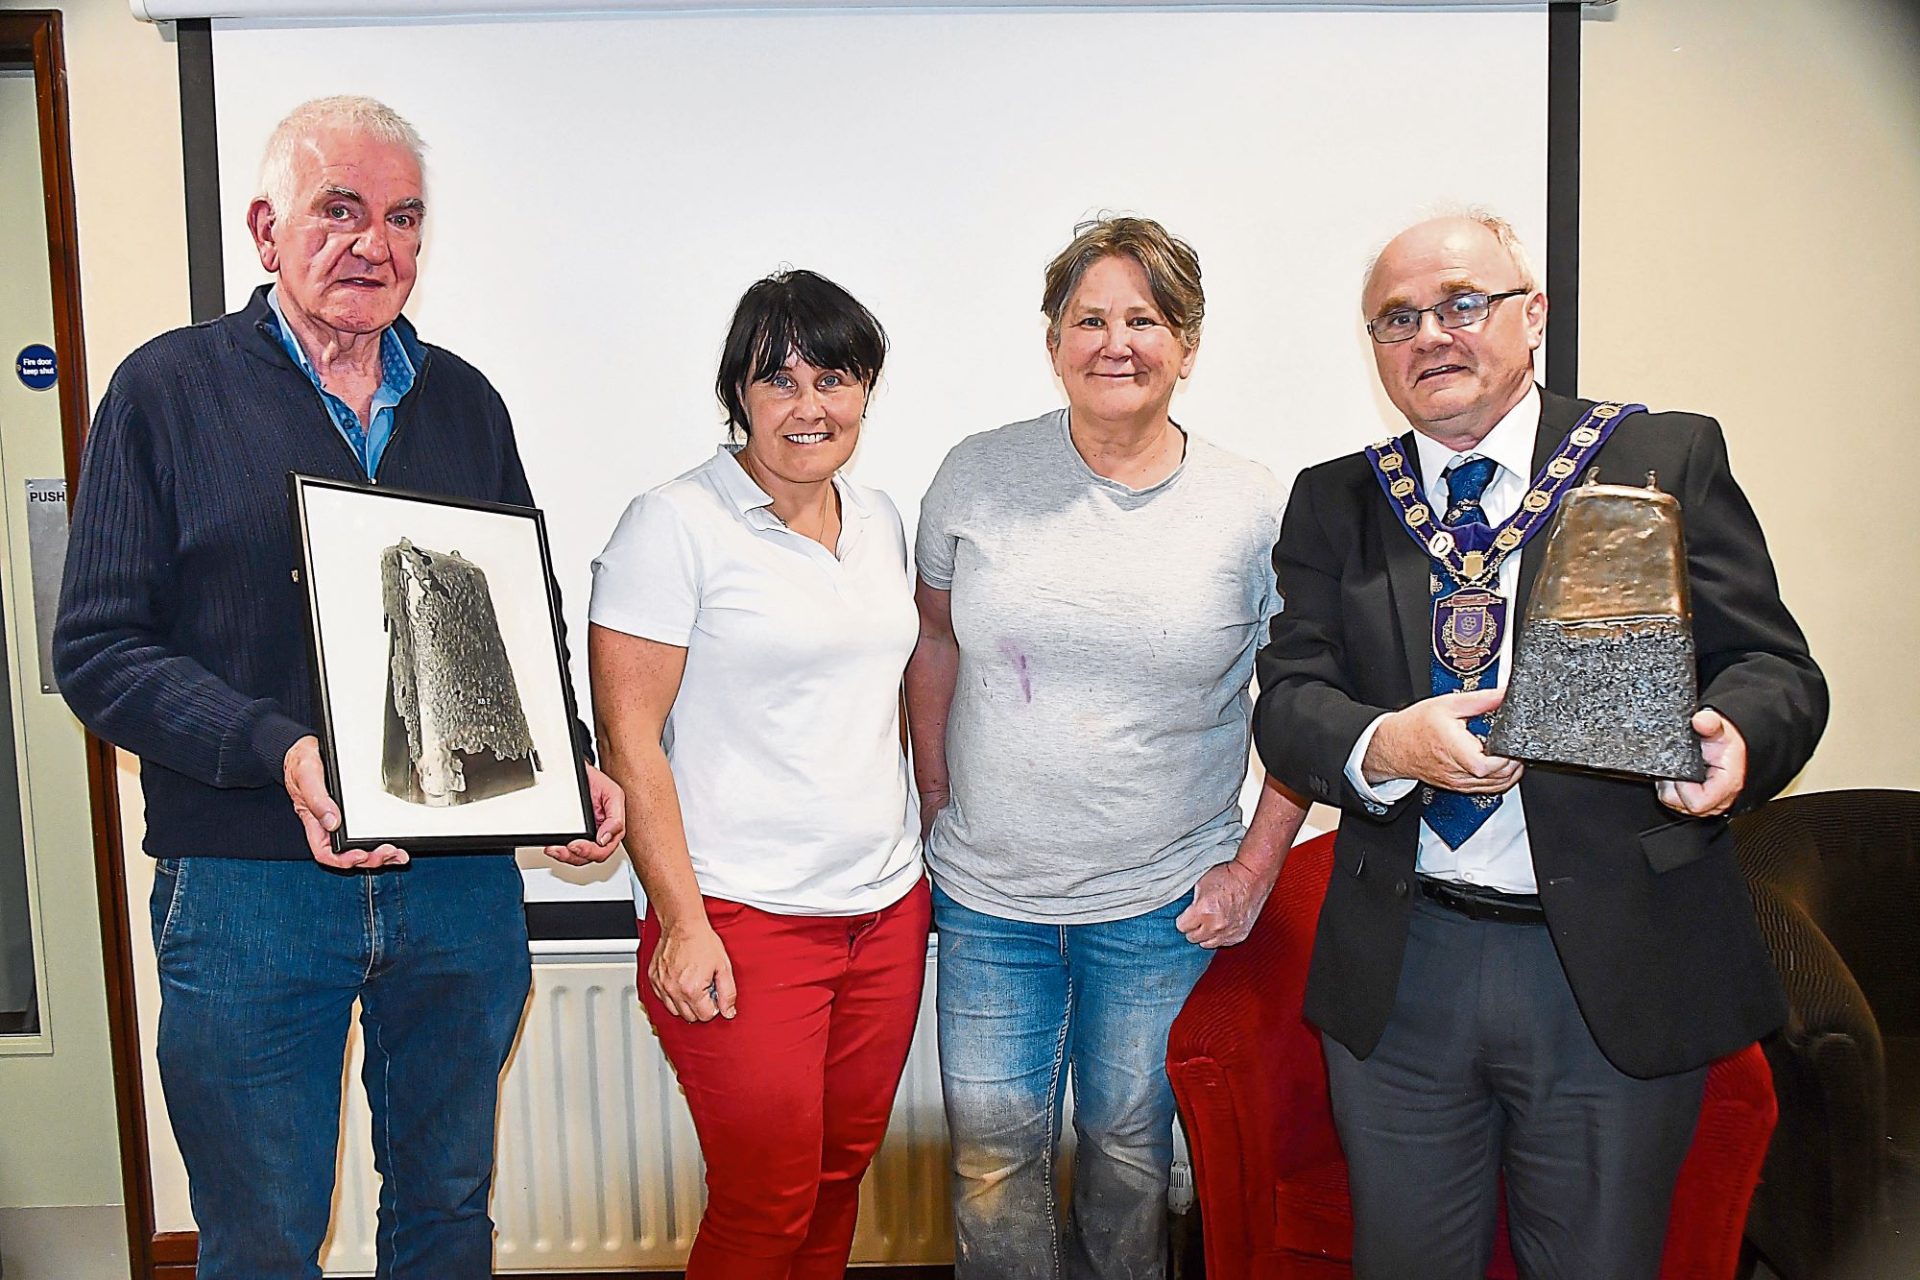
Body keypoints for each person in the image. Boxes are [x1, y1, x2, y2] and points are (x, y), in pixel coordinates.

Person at [53, 96, 624, 1279]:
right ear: (266, 230)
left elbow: (519, 625)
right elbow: (99, 649)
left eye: (403, 217)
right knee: (262, 1233)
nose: (375, 242)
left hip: (458, 890)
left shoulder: (466, 400)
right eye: (341, 211)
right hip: (253, 888)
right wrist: (279, 749)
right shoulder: (165, 390)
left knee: (449, 1207)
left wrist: (566, 758)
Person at [1252, 211, 1827, 1279]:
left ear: (1534, 315)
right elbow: (1289, 699)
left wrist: (1736, 740)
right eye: (1400, 317)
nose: (1434, 333)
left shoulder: (1658, 454)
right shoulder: (1337, 495)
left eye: (1465, 303)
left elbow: (1775, 670)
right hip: (1405, 963)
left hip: (1611, 962)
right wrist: (1389, 741)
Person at [907, 216, 1310, 1279]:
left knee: (1134, 1161)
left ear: (1187, 342)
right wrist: (937, 801)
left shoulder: (1252, 504)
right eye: (1089, 318)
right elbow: (935, 639)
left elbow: (1302, 699)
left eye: (1145, 318)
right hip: (993, 900)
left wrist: (1257, 862)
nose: (1115, 341)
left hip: (1161, 904)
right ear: (1053, 341)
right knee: (992, 1166)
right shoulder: (977, 473)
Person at [588, 269, 929, 1279]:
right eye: (778, 379)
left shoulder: (879, 519)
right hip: (742, 915)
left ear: (866, 389)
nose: (808, 404)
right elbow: (630, 737)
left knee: (837, 1180)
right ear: (738, 392)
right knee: (764, 1201)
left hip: (884, 910)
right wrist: (682, 922)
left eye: (834, 376)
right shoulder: (673, 522)